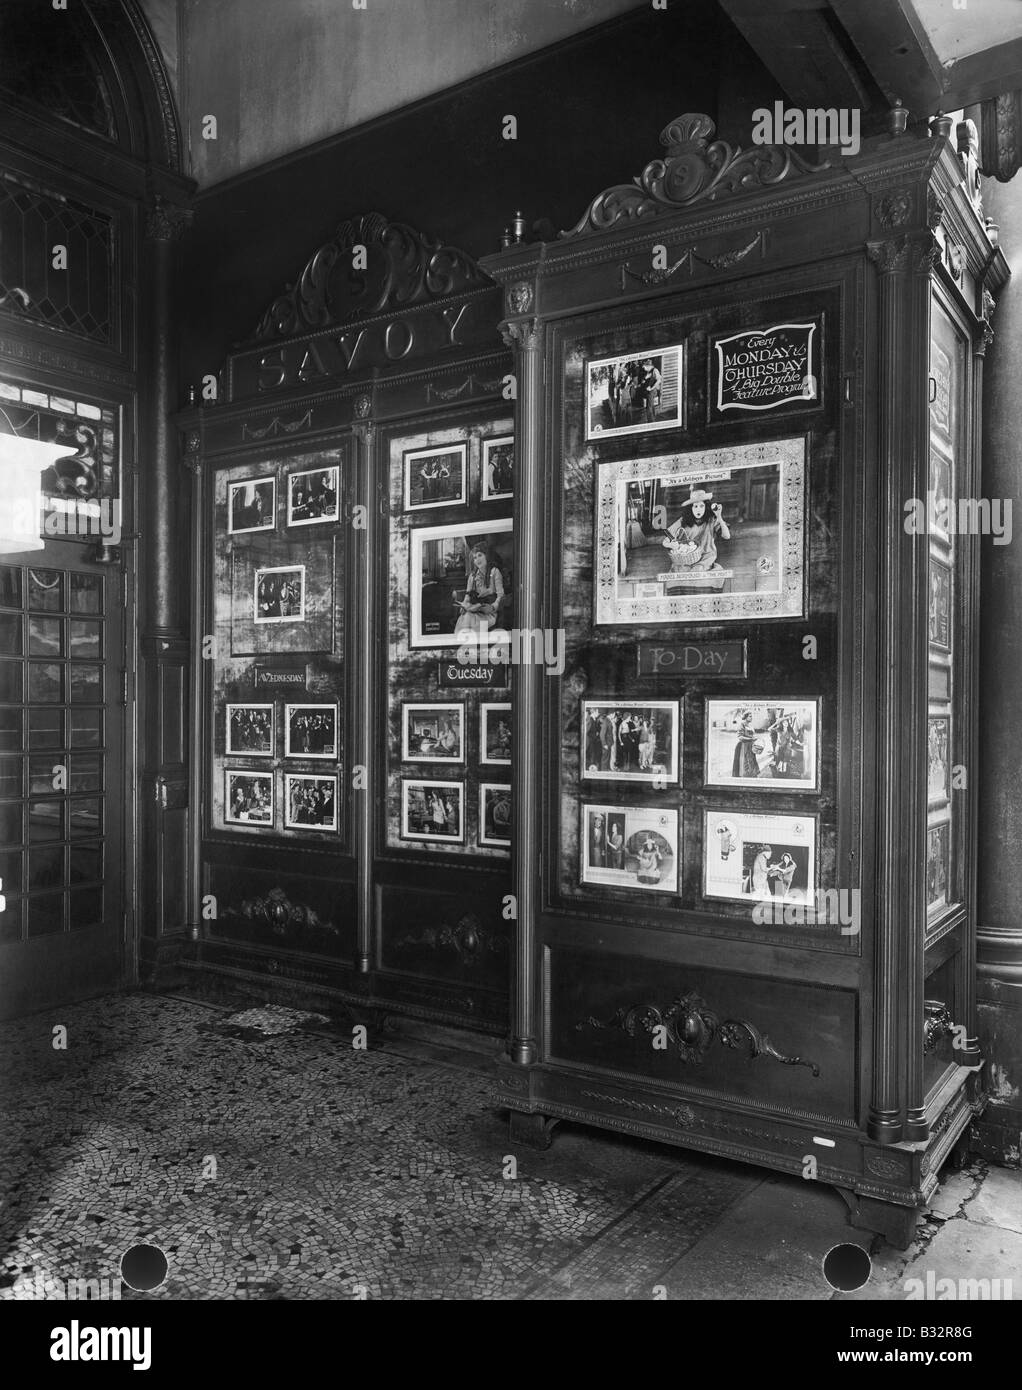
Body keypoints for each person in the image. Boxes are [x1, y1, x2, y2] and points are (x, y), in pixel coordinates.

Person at [660, 489, 731, 572]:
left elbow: (727, 536)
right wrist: (671, 545)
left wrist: (719, 516)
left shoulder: (712, 520)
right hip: (686, 559)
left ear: (706, 507)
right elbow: (665, 541)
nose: (698, 510)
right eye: (695, 506)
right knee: (683, 571)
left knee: (697, 570)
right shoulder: (683, 520)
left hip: (706, 557)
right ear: (691, 508)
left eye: (701, 506)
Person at [453, 544, 505, 636]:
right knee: (466, 617)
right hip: (474, 610)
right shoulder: (472, 576)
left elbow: (500, 595)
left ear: (487, 556)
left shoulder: (494, 572)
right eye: (475, 558)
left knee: (469, 620)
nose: (477, 559)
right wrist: (464, 605)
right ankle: (463, 645)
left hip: (489, 613)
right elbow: (467, 595)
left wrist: (493, 607)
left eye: (480, 555)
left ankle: (474, 645)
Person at [732, 711, 761, 779]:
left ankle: (751, 775)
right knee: (745, 762)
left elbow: (753, 735)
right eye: (750, 716)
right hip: (743, 746)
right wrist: (750, 739)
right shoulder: (742, 725)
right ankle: (745, 776)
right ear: (746, 717)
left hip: (751, 746)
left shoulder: (751, 725)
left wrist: (755, 738)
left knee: (751, 761)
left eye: (751, 716)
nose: (751, 718)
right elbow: (740, 737)